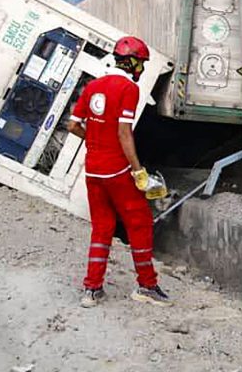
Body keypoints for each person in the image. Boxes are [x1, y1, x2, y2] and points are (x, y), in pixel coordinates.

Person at [67, 36, 171, 309]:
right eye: (142, 64)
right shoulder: (127, 89)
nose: (142, 69)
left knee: (101, 227)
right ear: (133, 62)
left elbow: (72, 125)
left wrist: (95, 140)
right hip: (117, 170)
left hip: (94, 170)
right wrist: (139, 172)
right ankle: (147, 286)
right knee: (140, 223)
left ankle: (92, 289)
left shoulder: (93, 87)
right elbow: (124, 133)